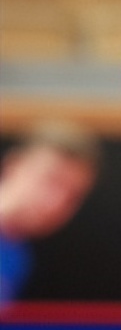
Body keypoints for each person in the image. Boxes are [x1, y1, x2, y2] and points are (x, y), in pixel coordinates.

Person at [0, 120, 100, 304]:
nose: (56, 203)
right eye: (51, 180)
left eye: (72, 196)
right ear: (13, 165)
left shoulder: (17, 259)